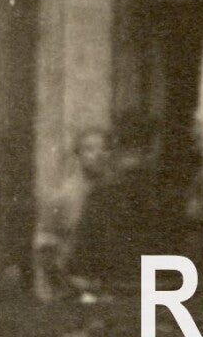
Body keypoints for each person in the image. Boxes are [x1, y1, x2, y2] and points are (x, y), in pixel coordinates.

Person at [65, 115, 180, 290]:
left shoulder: (101, 195)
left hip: (115, 293)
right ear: (154, 148)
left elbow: (81, 266)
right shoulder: (170, 193)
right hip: (161, 292)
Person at [34, 126, 109, 298]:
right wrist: (65, 284)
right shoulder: (63, 196)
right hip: (73, 288)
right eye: (89, 149)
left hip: (107, 287)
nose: (98, 154)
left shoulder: (115, 194)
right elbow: (44, 247)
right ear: (78, 155)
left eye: (104, 148)